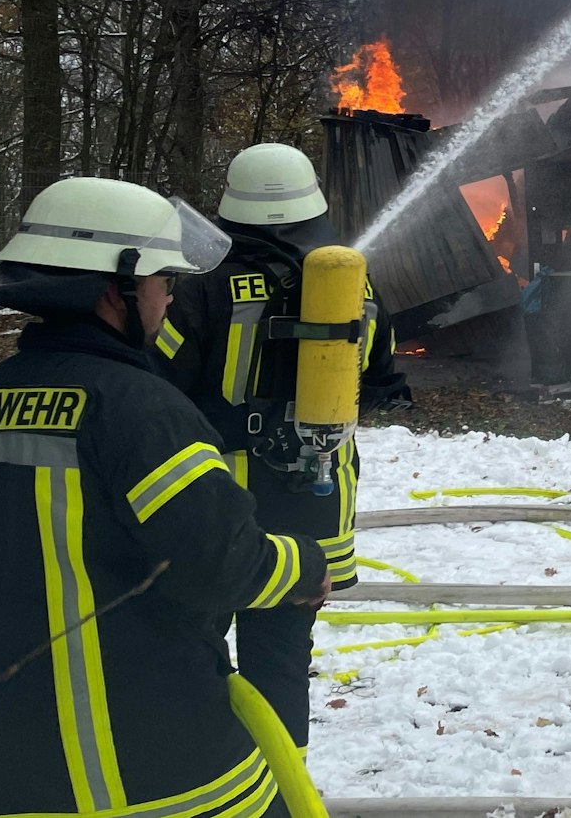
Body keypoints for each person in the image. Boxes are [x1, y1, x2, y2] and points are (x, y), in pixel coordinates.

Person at [0, 177, 329, 818]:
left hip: (8, 773)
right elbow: (220, 563)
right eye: (165, 282)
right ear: (119, 288)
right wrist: (303, 564)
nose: (168, 301)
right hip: (160, 773)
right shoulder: (141, 410)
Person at [154, 143, 408, 754]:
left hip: (215, 504)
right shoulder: (350, 279)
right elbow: (378, 377)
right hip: (313, 507)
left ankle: (211, 776)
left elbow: (154, 388)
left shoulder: (197, 286)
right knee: (283, 657)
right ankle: (281, 784)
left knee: (196, 647)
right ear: (313, 205)